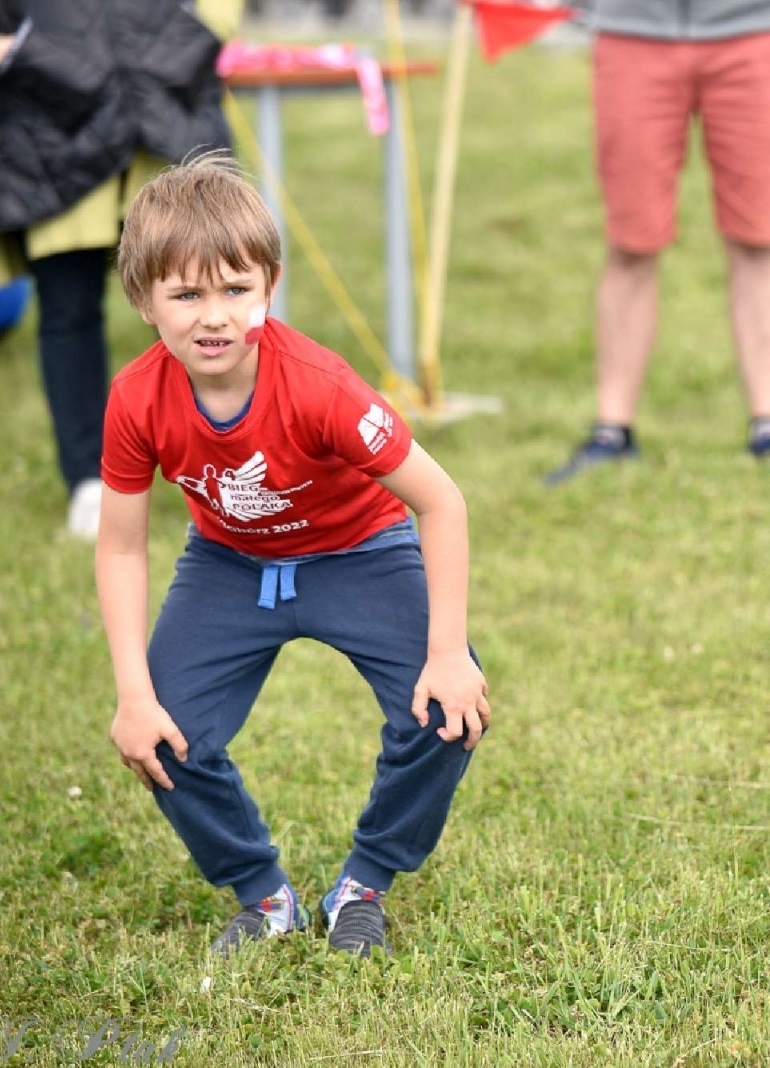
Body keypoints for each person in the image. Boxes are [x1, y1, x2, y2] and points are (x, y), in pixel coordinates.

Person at [97, 155, 490, 958]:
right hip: (229, 562)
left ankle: (364, 882)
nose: (214, 316)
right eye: (186, 293)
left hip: (359, 551)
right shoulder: (136, 398)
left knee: (449, 711)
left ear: (269, 286)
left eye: (235, 289)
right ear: (144, 300)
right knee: (164, 733)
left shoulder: (321, 387)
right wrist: (133, 693)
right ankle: (263, 895)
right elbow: (121, 544)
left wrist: (447, 653)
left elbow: (441, 501)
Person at [0, 0, 241, 539]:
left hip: (163, 98)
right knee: (68, 307)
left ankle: (229, 477)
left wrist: (205, 26)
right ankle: (93, 481)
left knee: (203, 303)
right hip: (48, 111)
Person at [544, 0, 770, 486]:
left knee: (758, 239)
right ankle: (612, 430)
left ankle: (769, 428)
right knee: (631, 242)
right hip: (634, 30)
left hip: (759, 29)